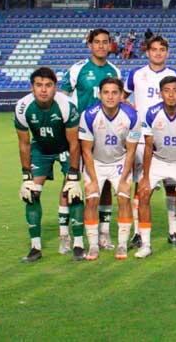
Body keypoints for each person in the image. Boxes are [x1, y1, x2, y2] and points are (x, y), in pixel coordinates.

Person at [124, 35, 176, 249]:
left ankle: (173, 231)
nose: (158, 53)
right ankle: (137, 232)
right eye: (154, 49)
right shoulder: (136, 74)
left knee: (172, 187)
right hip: (143, 139)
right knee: (141, 185)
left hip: (171, 138)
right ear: (147, 52)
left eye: (162, 50)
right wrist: (133, 114)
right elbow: (122, 97)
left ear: (167, 53)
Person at [14, 67, 84, 262]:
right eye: (39, 85)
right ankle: (35, 247)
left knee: (73, 192)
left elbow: (74, 143)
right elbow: (24, 143)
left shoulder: (67, 106)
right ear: (32, 87)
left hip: (65, 148)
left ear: (55, 87)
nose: (43, 90)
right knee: (31, 193)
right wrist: (26, 175)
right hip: (41, 149)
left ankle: (77, 244)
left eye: (48, 85)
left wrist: (73, 174)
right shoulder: (22, 107)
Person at [62, 28, 122, 250]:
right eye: (97, 42)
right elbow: (63, 98)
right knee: (70, 181)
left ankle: (103, 234)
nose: (101, 46)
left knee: (104, 185)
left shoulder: (114, 70)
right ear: (89, 45)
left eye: (105, 42)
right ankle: (66, 234)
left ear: (110, 45)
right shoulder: (78, 69)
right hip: (79, 136)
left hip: (105, 137)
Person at [135, 76, 176, 258]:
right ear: (160, 93)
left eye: (175, 90)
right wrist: (145, 177)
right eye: (167, 91)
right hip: (158, 161)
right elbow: (148, 146)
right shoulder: (151, 113)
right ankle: (146, 245)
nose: (171, 95)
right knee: (143, 194)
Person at [78, 77, 139, 260]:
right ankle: (93, 246)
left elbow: (131, 151)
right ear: (99, 94)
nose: (110, 96)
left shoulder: (132, 116)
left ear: (121, 95)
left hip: (120, 161)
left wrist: (124, 179)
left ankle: (122, 245)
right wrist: (93, 180)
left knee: (124, 198)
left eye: (114, 92)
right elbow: (86, 151)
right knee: (91, 199)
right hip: (95, 162)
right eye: (106, 92)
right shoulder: (88, 115)